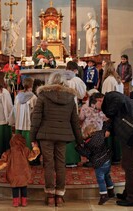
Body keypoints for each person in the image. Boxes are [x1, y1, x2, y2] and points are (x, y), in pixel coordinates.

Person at [90, 92, 133, 206]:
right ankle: (128, 193)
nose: (98, 111)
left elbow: (118, 104)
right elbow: (114, 119)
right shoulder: (112, 107)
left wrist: (106, 112)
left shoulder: (112, 96)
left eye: (95, 107)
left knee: (129, 166)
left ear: (99, 100)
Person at [30, 72, 83, 207]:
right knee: (60, 164)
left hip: (46, 134)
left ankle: (50, 196)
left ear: (50, 81)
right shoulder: (70, 97)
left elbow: (36, 118)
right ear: (63, 82)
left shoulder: (43, 95)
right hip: (62, 135)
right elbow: (74, 121)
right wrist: (79, 139)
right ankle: (59, 196)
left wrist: (32, 137)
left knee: (48, 164)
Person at [0, 134, 40, 207]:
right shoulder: (26, 150)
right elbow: (32, 156)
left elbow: (3, 162)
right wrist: (35, 147)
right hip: (24, 174)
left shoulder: (9, 152)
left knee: (15, 188)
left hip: (13, 174)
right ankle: (24, 202)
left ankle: (15, 202)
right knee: (24, 187)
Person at [76, 123, 114, 205]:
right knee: (107, 176)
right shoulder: (101, 134)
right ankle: (111, 191)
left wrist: (78, 148)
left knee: (101, 180)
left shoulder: (88, 144)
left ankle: (104, 195)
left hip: (99, 163)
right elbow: (106, 132)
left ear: (87, 133)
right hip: (107, 159)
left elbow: (87, 154)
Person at [14, 77, 39, 165]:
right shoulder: (33, 97)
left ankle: (19, 158)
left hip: (19, 122)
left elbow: (14, 109)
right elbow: (35, 111)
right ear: (32, 86)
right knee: (28, 141)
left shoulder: (18, 96)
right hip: (28, 123)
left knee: (19, 141)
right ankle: (30, 158)